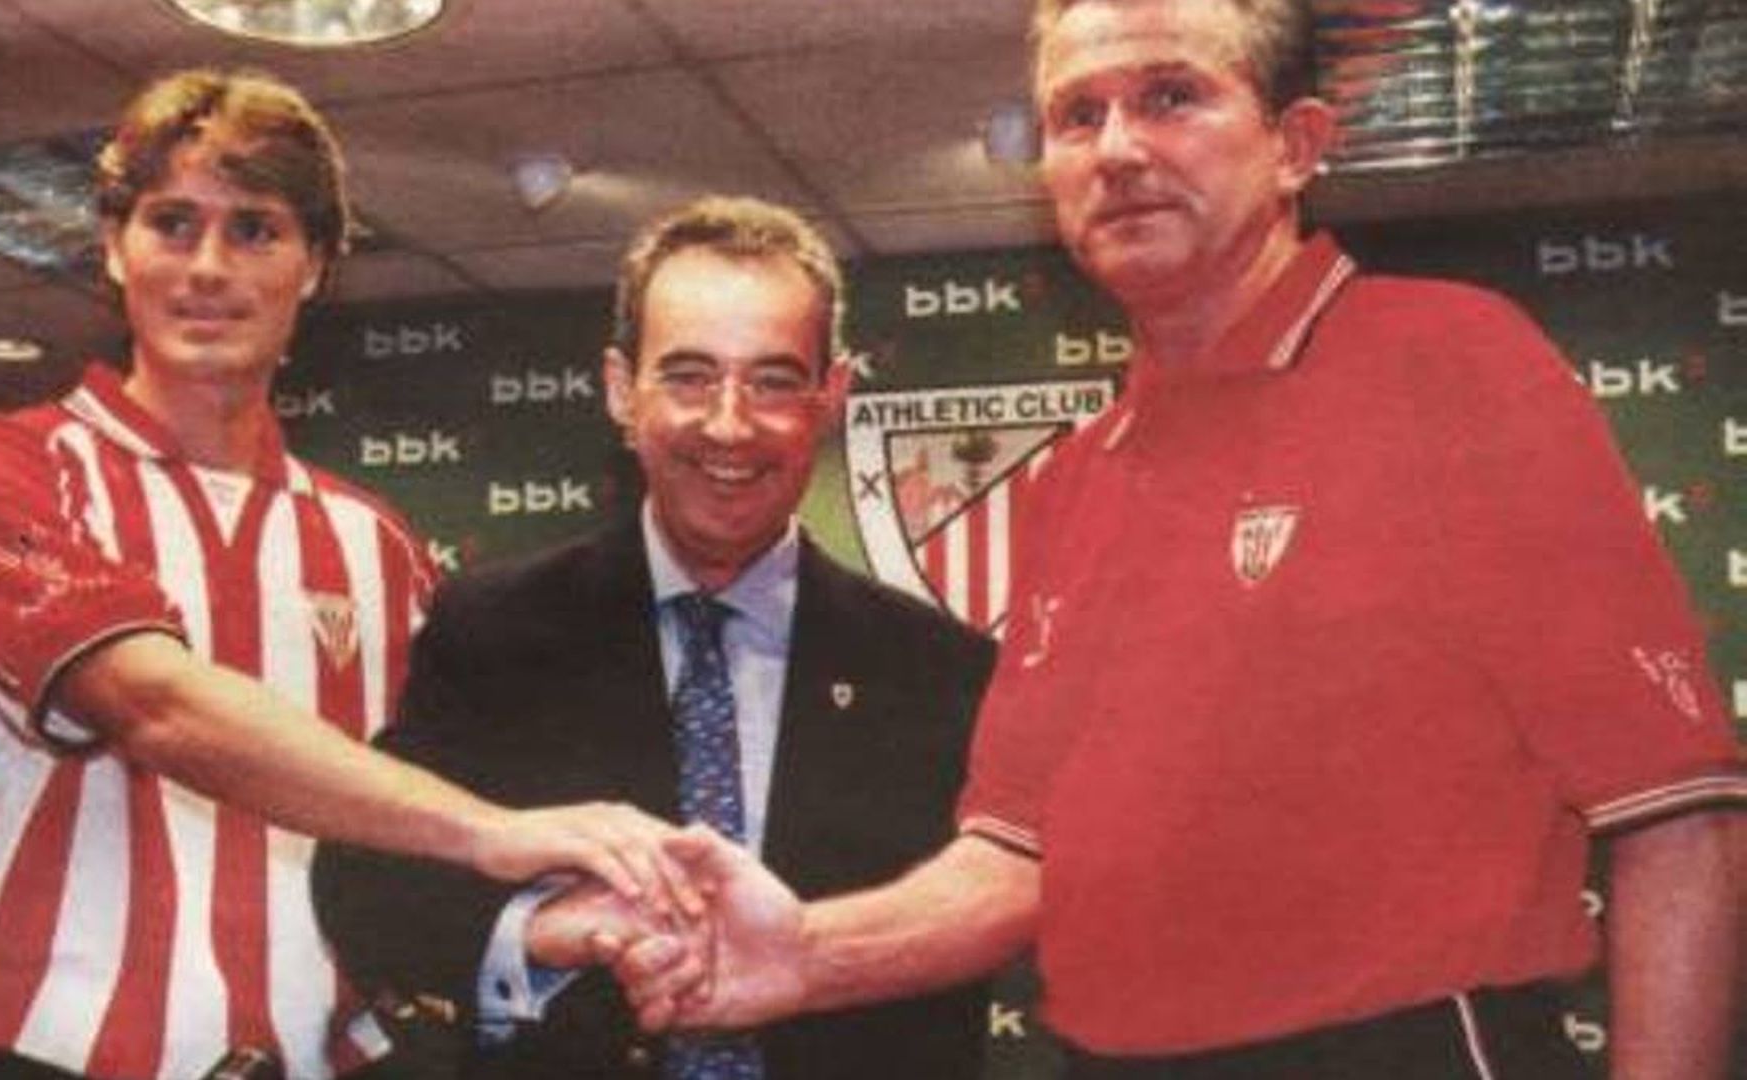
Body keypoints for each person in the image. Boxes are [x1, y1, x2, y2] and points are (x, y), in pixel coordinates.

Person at [604, 2, 1746, 1079]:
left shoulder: (1451, 364)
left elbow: (1679, 817)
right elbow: (1014, 859)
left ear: (1295, 145)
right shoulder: (1076, 479)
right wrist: (806, 952)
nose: (1117, 149)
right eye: (1076, 115)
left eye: (1170, 96)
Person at [0, 69, 691, 1080]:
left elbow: (411, 828)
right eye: (172, 223)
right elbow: (153, 707)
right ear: (114, 246)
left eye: (255, 231)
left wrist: (569, 916)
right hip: (39, 1061)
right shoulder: (0, 468)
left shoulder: (379, 543)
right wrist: (491, 831)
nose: (207, 268)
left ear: (315, 264)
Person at [311, 195, 998, 1078]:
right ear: (619, 390)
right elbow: (368, 875)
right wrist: (539, 930)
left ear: (830, 398)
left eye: (774, 380)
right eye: (688, 376)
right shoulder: (496, 631)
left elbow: (973, 935)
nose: (729, 423)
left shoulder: (939, 669)